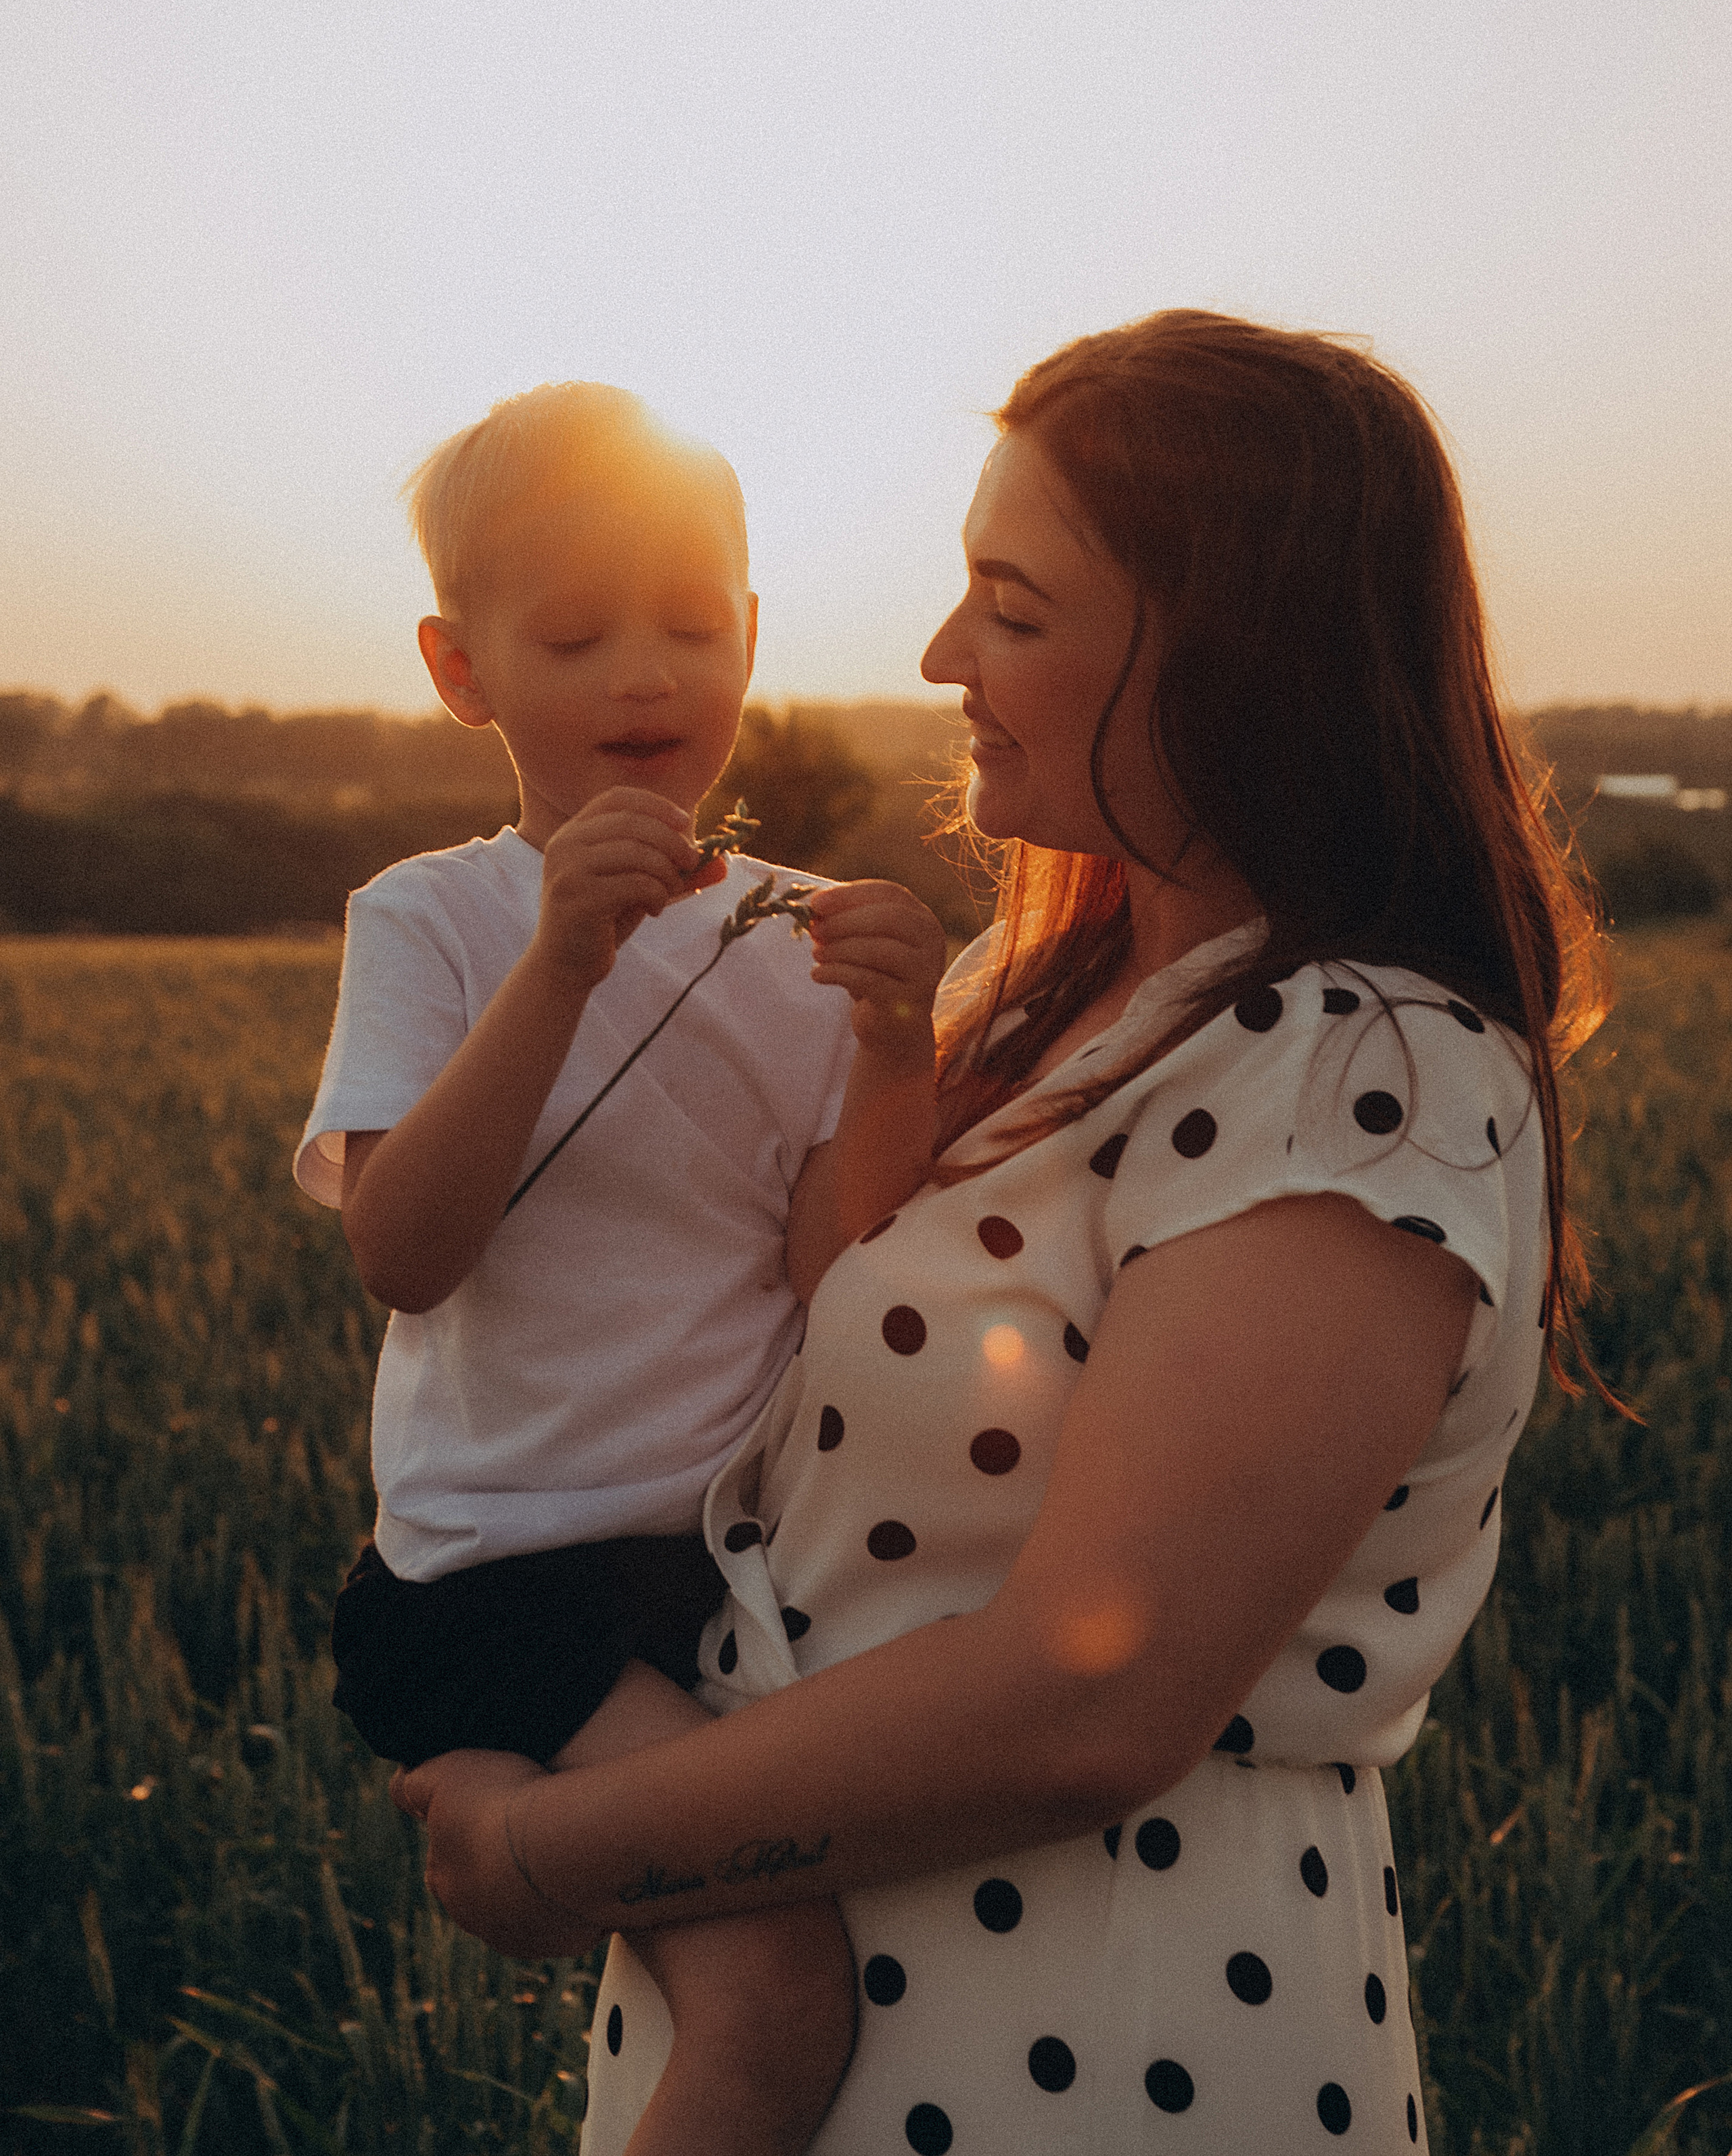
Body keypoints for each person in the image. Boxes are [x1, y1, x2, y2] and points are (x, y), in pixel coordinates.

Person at [394, 317, 1612, 2155]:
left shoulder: (1364, 1062)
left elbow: (1094, 1695)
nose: (941, 656)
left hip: (1102, 2042)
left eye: (1013, 608)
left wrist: (548, 1845)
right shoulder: (1035, 1005)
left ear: (1225, 657)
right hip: (811, 2024)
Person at [293, 380, 948, 2156]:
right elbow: (402, 1251)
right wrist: (559, 964)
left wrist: (898, 1047)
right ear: (462, 667)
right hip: (501, 1580)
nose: (646, 673)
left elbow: (836, 1276)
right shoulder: (433, 921)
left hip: (731, 1576)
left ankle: (506, 1821)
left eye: (690, 622)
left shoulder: (796, 935)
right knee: (778, 1993)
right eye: (575, 633)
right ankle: (489, 1795)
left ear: (750, 634)